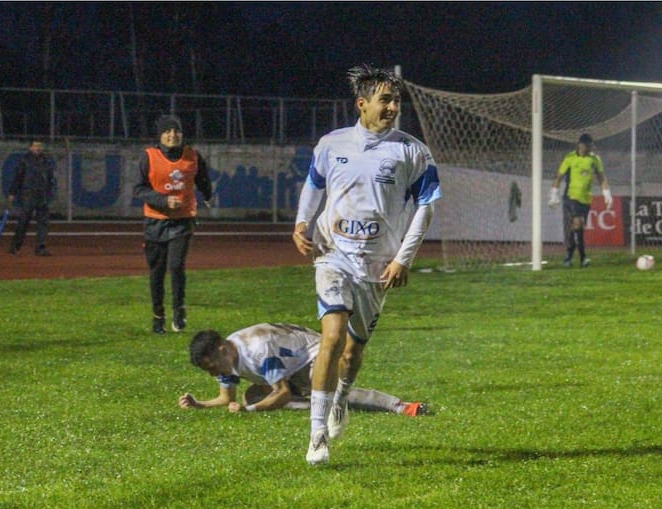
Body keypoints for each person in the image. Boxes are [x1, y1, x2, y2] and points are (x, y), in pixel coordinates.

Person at [292, 65, 442, 465]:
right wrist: (301, 223)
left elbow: (426, 208)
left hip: (377, 265)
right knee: (332, 336)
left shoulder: (413, 152)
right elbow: (314, 184)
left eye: (396, 100)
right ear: (362, 104)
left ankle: (341, 397)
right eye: (385, 100)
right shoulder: (331, 144)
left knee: (352, 354)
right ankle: (317, 434)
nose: (393, 107)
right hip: (333, 254)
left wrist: (402, 259)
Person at [179, 322, 429, 417]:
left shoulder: (257, 349)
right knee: (253, 395)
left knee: (333, 393)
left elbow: (283, 392)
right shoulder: (227, 355)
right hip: (292, 365)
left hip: (314, 354)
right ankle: (314, 404)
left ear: (221, 349)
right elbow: (227, 398)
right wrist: (198, 404)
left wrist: (249, 410)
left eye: (211, 368)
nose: (212, 374)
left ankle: (401, 406)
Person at [133, 114, 213, 334]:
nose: (172, 135)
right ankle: (158, 317)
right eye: (167, 131)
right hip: (155, 221)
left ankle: (179, 311)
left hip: (183, 220)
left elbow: (202, 177)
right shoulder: (148, 157)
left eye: (176, 131)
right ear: (160, 136)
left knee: (176, 266)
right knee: (157, 273)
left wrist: (208, 194)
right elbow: (138, 189)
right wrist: (163, 200)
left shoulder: (192, 155)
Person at [548, 133, 612, 268]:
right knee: (579, 223)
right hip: (571, 197)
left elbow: (601, 177)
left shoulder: (594, 159)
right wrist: (554, 193)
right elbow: (558, 176)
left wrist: (607, 194)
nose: (590, 148)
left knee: (577, 228)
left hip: (586, 199)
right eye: (588, 146)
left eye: (591, 146)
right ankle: (583, 258)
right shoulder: (570, 158)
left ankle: (569, 257)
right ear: (581, 145)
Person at [7, 140, 56, 256]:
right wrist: (12, 192)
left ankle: (41, 248)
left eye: (39, 145)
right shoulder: (24, 160)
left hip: (42, 195)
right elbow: (18, 177)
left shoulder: (46, 161)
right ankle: (15, 246)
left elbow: (50, 178)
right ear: (30, 148)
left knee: (43, 223)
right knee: (23, 221)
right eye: (35, 146)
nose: (38, 148)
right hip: (28, 194)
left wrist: (50, 192)